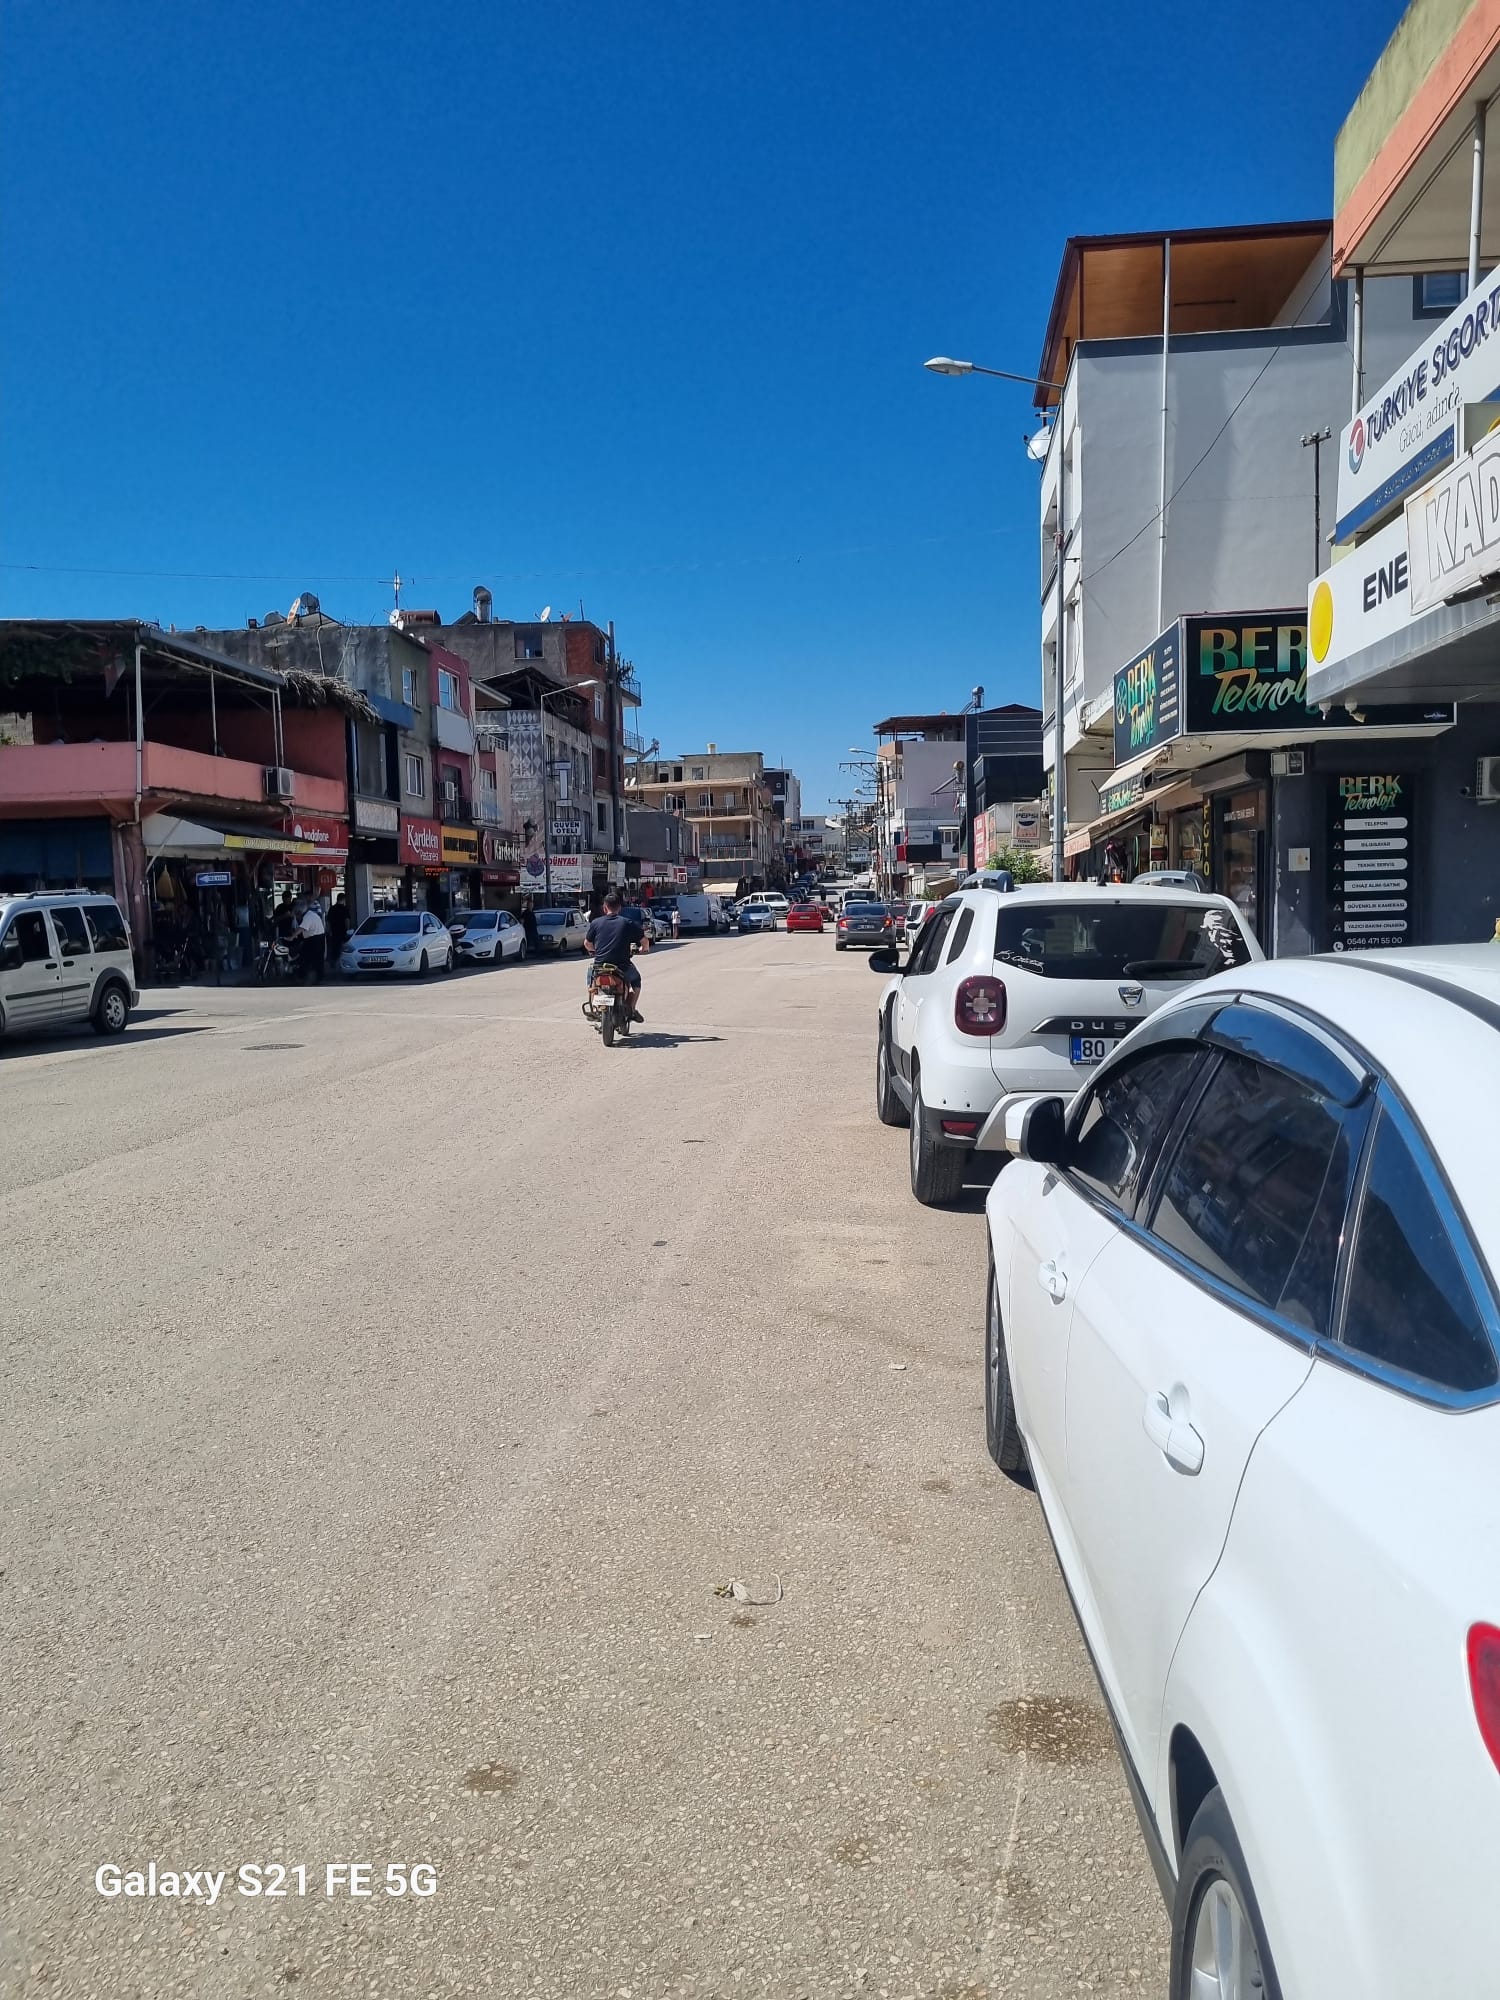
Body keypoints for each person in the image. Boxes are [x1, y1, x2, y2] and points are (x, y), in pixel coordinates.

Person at [584, 889, 648, 1021]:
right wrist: (643, 950)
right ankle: (632, 1008)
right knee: (636, 981)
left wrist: (593, 951)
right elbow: (644, 941)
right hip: (622, 965)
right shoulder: (627, 922)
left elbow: (587, 943)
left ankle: (593, 1007)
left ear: (604, 907)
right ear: (619, 908)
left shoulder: (596, 923)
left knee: (591, 981)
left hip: (600, 965)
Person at [295, 897, 326, 982]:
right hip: (314, 938)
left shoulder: (308, 916)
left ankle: (306, 977)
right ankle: (313, 977)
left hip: (315, 939)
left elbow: (301, 928)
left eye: (297, 912)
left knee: (308, 958)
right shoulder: (310, 914)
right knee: (314, 958)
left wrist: (291, 936)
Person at [327, 893, 349, 969]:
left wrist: (329, 931)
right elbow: (347, 920)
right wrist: (348, 930)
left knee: (335, 948)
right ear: (343, 899)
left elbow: (328, 921)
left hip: (334, 932)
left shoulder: (332, 909)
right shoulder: (345, 909)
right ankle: (342, 962)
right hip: (343, 932)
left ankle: (333, 962)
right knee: (344, 948)